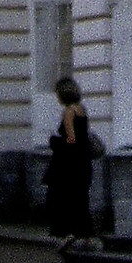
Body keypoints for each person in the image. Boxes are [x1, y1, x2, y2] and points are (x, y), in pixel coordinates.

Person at [46, 75, 102, 252]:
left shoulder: (68, 112)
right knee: (81, 198)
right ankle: (86, 235)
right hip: (84, 162)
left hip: (70, 164)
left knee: (64, 198)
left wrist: (55, 141)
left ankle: (68, 233)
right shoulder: (81, 110)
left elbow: (71, 139)